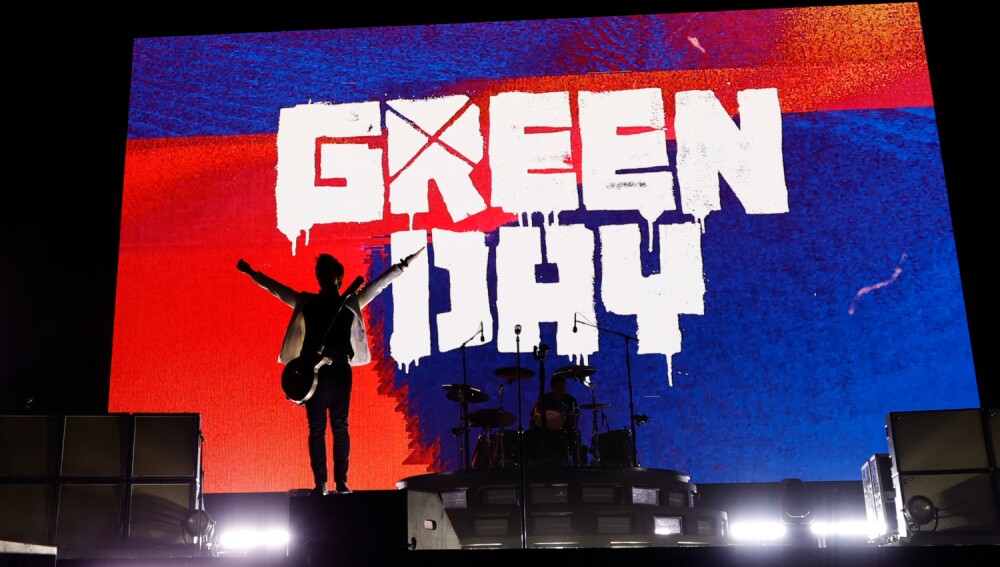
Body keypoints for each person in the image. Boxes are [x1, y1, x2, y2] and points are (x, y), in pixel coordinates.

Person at [237, 247, 423, 495]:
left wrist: (402, 266)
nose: (322, 276)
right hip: (313, 373)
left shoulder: (350, 302)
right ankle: (320, 484)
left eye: (327, 272)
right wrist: (253, 274)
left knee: (340, 425)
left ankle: (342, 483)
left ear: (338, 277)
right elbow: (279, 291)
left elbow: (377, 286)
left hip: (340, 371)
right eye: (320, 272)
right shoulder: (308, 302)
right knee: (316, 427)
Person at [526, 373, 584, 466]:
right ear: (553, 388)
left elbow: (575, 419)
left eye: (564, 387)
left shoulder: (571, 400)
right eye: (560, 388)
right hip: (545, 431)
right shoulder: (544, 400)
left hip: (565, 430)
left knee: (574, 437)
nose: (563, 390)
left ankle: (576, 465)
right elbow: (534, 417)